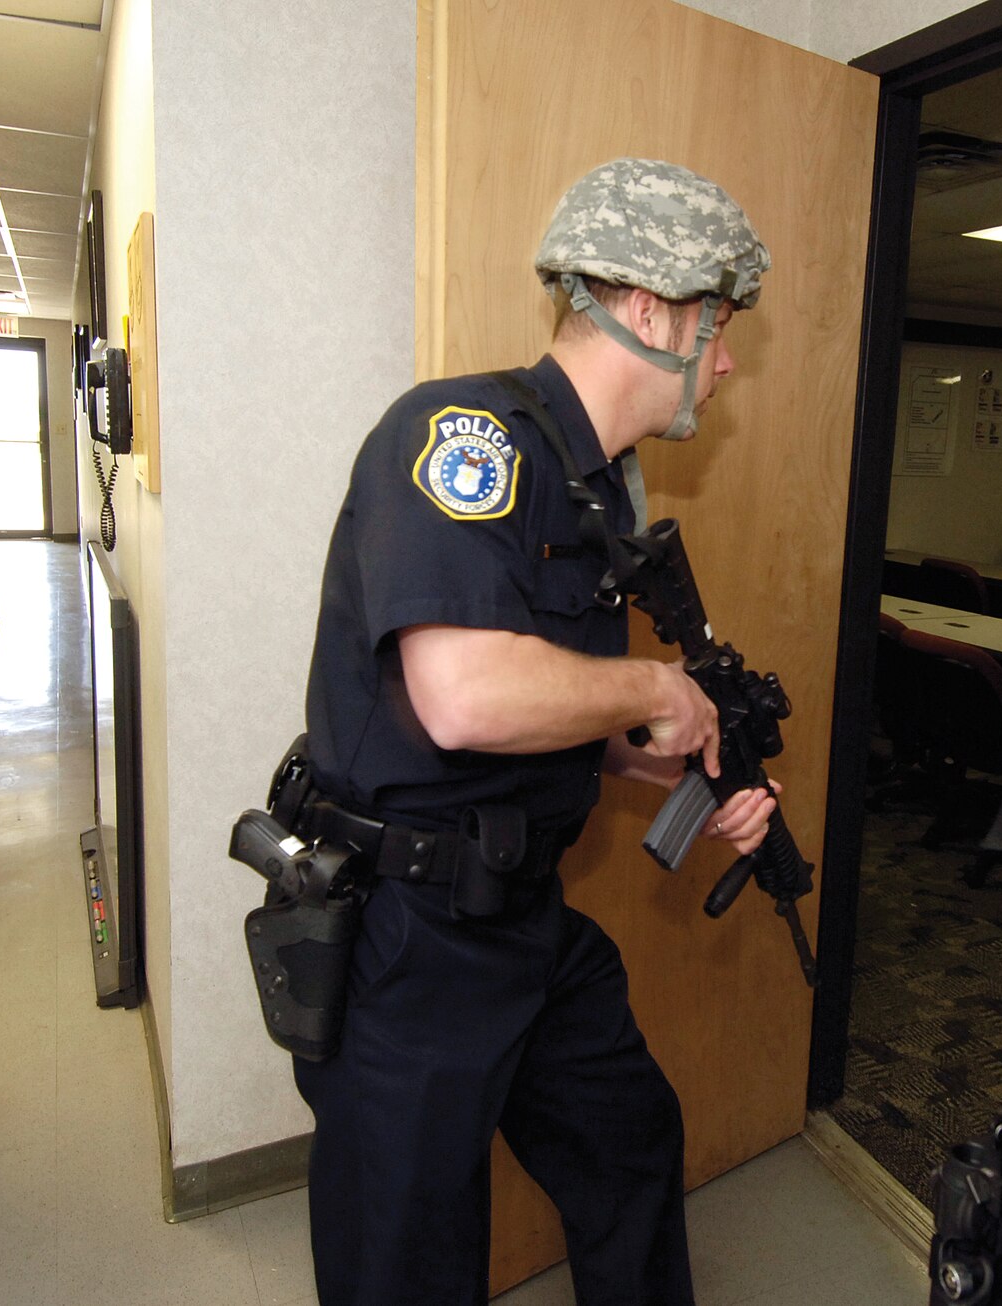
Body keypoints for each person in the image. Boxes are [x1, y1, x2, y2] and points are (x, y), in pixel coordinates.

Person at [291, 157, 778, 1306]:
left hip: (522, 916)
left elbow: (551, 707)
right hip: (407, 934)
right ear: (651, 309)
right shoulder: (463, 438)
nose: (724, 357)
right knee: (408, 1262)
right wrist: (652, 691)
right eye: (717, 324)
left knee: (627, 1143)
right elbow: (460, 697)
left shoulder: (601, 485)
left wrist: (662, 757)